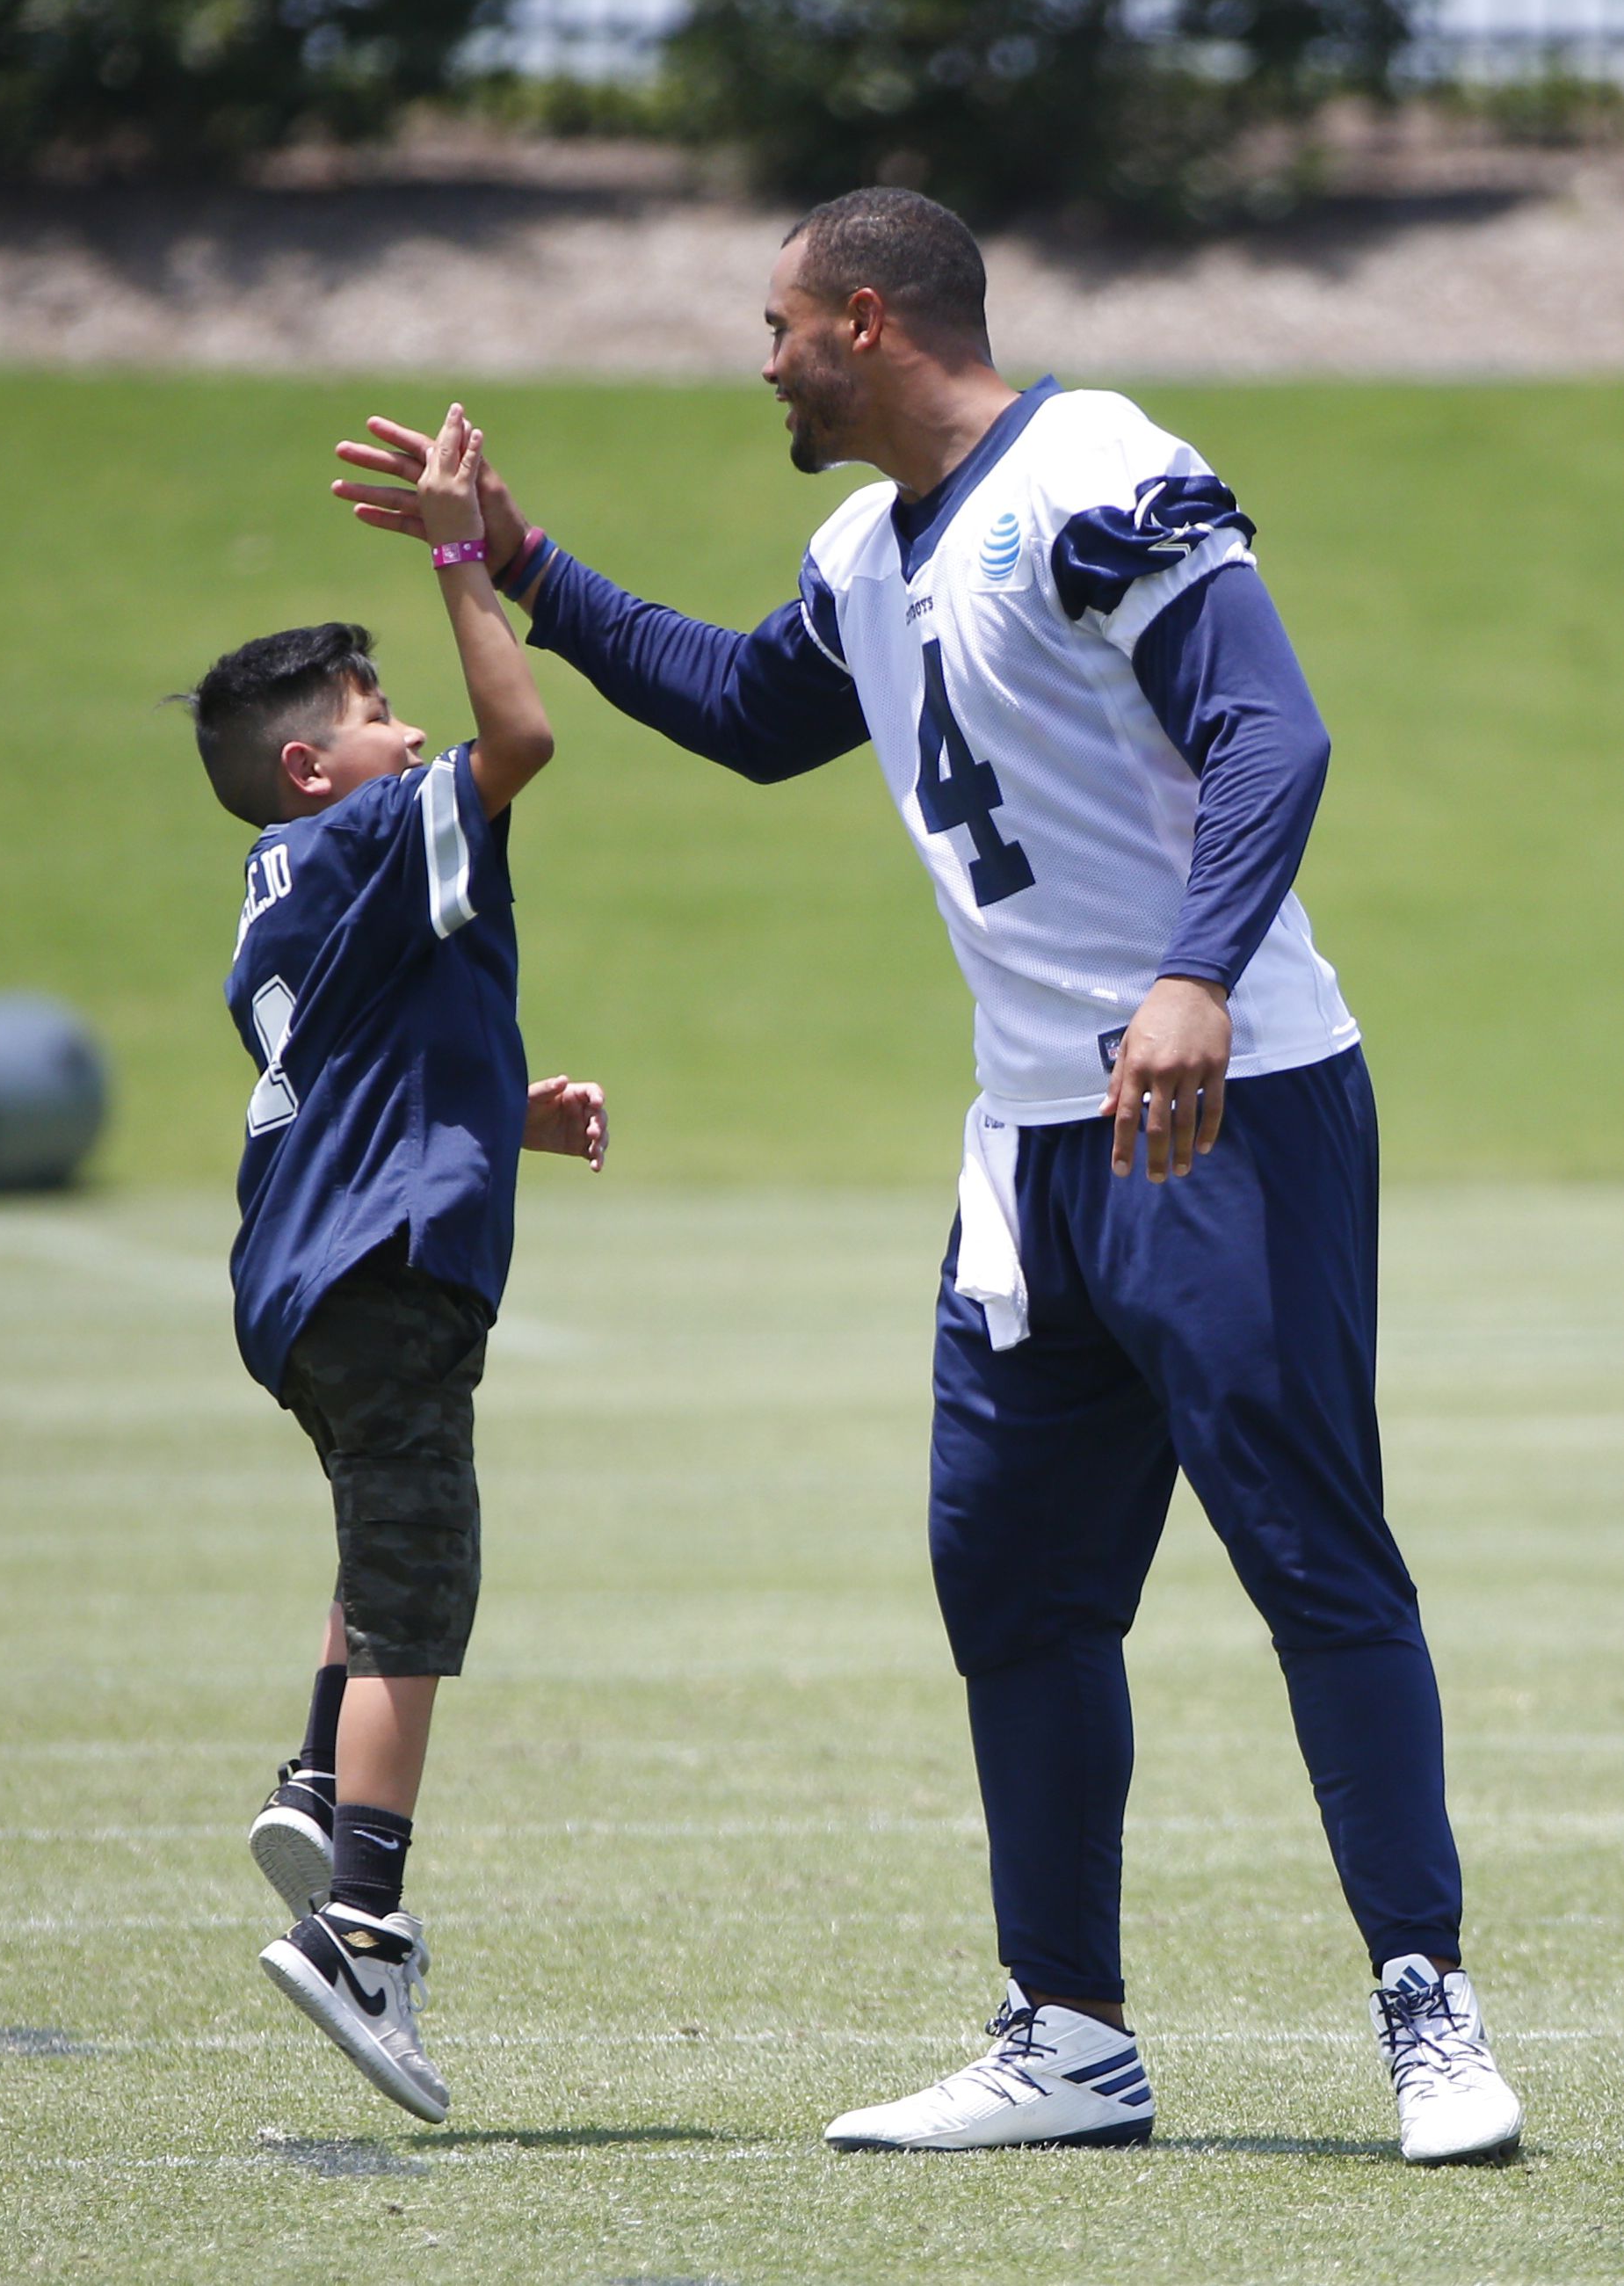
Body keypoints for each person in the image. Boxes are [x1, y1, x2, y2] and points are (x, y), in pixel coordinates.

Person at [327, 194, 1523, 2167]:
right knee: (1015, 1586)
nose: (763, 357)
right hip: (1026, 1148)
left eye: (780, 323)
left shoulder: (1091, 469)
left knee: (1309, 1549)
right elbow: (736, 708)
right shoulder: (862, 551)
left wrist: (1193, 975)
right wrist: (510, 558)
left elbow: (1266, 730)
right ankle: (1068, 2032)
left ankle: (1424, 2006)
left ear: (864, 321)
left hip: (1225, 1105)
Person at [178, 404, 607, 2126]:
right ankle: (360, 1912)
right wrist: (457, 555)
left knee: (378, 1514)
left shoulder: (275, 878)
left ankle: (309, 1762)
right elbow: (523, 734)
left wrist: (503, 1108)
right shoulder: (377, 830)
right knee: (424, 1565)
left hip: (294, 1269)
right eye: (370, 712)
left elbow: (358, 1067)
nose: (404, 719)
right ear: (314, 765)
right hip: (382, 1266)